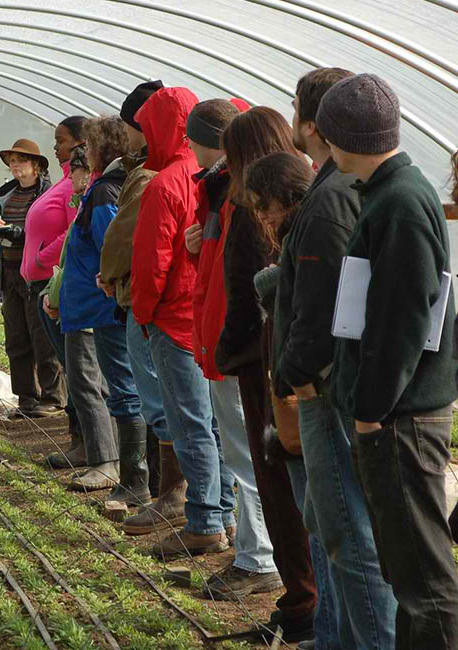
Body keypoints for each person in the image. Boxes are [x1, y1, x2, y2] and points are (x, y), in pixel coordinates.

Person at [321, 73, 458, 650]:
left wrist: (372, 408)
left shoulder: (400, 203)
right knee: (409, 573)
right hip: (400, 412)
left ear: (342, 140)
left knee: (423, 578)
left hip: (401, 417)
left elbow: (402, 317)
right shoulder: (390, 194)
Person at [274, 67, 397, 650]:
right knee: (338, 531)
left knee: (350, 535)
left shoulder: (330, 200)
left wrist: (298, 377)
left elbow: (321, 304)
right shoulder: (339, 190)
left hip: (327, 390)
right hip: (331, 385)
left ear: (316, 124)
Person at [184, 102, 288, 606]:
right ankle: (257, 549)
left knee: (250, 455)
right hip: (234, 345)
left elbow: (246, 290)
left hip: (243, 351)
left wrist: (226, 347)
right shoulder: (236, 200)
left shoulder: (250, 207)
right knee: (247, 452)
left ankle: (259, 557)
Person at [129, 86, 232, 557]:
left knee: (188, 424)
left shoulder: (165, 184)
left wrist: (144, 315)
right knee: (214, 424)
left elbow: (152, 263)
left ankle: (205, 520)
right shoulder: (210, 176)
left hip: (173, 320)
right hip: (205, 317)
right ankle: (224, 511)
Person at [248, 152, 336, 650]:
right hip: (296, 392)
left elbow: (314, 315)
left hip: (313, 398)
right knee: (317, 517)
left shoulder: (315, 228)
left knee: (329, 524)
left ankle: (330, 629)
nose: (263, 219)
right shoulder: (300, 232)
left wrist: (296, 378)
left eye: (266, 207)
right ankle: (326, 627)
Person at [57, 116, 144, 492]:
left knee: (97, 384)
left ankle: (110, 465)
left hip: (98, 306)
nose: (84, 153)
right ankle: (110, 462)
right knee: (92, 382)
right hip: (88, 305)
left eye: (89, 146)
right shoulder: (102, 188)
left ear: (105, 148)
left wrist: (104, 283)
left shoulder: (106, 192)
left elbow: (113, 244)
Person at [98, 79, 166, 517]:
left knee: (155, 402)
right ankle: (160, 489)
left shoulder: (148, 177)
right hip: (136, 298)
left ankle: (151, 487)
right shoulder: (142, 171)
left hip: (149, 306)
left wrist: (112, 275)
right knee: (157, 402)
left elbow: (127, 238)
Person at [20, 117, 85, 463]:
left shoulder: (76, 185)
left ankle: (87, 443)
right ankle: (80, 440)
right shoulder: (64, 182)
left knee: (77, 368)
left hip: (54, 280)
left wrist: (45, 257)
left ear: (79, 144)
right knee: (70, 364)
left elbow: (74, 228)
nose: (54, 146)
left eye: (60, 140)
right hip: (43, 281)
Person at [0, 139, 61, 418]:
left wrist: (19, 232)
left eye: (21, 160)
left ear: (36, 166)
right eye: (12, 161)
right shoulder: (7, 195)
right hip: (9, 271)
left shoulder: (48, 195)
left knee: (41, 335)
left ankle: (53, 397)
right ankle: (27, 397)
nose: (15, 165)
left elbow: (50, 228)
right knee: (16, 336)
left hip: (36, 273)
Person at [40, 142, 92, 469]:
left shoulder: (99, 199)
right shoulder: (86, 200)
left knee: (88, 383)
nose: (70, 175)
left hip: (86, 308)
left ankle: (100, 456)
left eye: (74, 168)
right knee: (79, 377)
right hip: (74, 303)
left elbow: (89, 256)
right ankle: (87, 446)